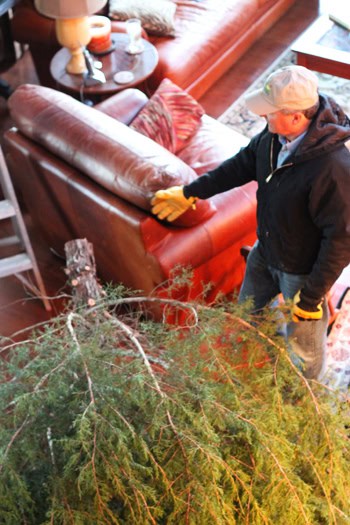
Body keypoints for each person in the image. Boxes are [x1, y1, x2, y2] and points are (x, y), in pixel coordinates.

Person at [151, 65, 350, 380]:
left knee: (305, 350)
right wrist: (191, 192)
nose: (263, 117)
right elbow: (241, 165)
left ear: (296, 116)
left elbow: (341, 239)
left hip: (301, 271)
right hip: (265, 250)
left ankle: (306, 391)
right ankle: (261, 354)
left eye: (269, 113)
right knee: (246, 314)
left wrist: (311, 297)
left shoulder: (334, 169)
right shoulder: (274, 136)